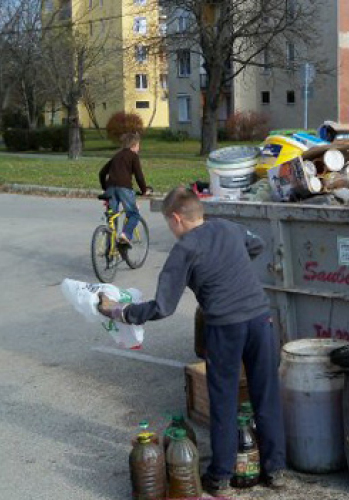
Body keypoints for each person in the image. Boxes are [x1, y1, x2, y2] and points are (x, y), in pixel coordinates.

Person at [97, 187, 287, 496]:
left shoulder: (185, 249)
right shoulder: (227, 227)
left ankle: (221, 476)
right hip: (260, 318)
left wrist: (121, 312)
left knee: (224, 401)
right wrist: (230, 266)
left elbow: (162, 307)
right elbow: (257, 243)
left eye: (168, 223)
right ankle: (276, 469)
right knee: (266, 394)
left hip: (225, 327)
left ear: (176, 218)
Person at [99, 133, 150, 245]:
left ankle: (110, 247)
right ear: (134, 145)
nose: (139, 148)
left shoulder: (116, 156)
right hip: (124, 188)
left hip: (111, 188)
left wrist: (105, 188)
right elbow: (139, 176)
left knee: (112, 217)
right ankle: (125, 235)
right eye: (138, 145)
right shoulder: (133, 156)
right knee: (133, 213)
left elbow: (102, 172)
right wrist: (144, 190)